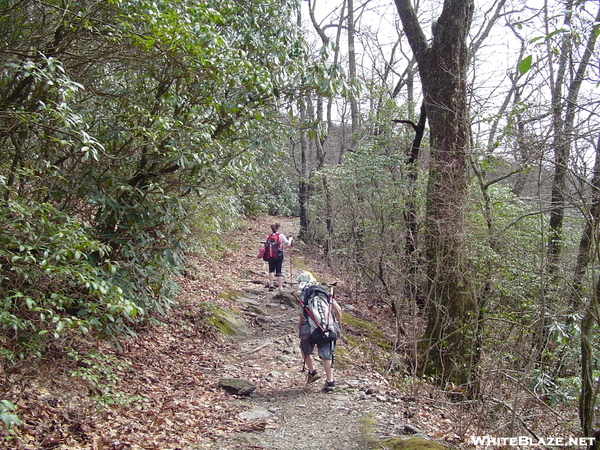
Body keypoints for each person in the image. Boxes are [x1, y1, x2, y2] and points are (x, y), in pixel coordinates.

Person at [296, 272, 342, 392]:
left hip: (311, 330)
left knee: (304, 348)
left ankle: (312, 371)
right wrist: (337, 324)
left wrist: (299, 327)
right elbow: (339, 310)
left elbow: (302, 316)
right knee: (327, 354)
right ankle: (330, 382)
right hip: (328, 328)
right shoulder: (324, 293)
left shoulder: (304, 295)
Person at [264, 222, 292, 291]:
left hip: (270, 255)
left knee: (271, 270)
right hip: (279, 255)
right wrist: (290, 239)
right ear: (278, 228)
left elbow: (266, 245)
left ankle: (271, 284)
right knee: (279, 271)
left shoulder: (268, 236)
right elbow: (288, 244)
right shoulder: (281, 235)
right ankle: (280, 287)